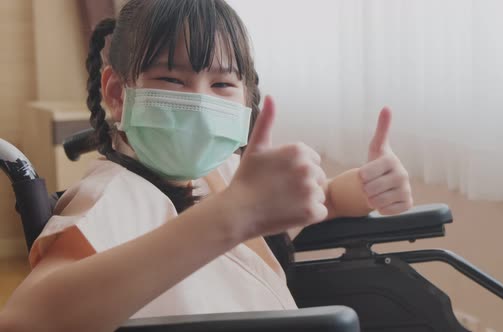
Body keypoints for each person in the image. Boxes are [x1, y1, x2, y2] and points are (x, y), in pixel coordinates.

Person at [0, 0, 412, 331]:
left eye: (222, 85)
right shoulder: (114, 197)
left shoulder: (224, 172)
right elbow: (27, 319)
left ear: (247, 99)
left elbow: (326, 201)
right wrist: (231, 215)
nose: (200, 103)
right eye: (171, 80)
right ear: (117, 92)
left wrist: (365, 187)